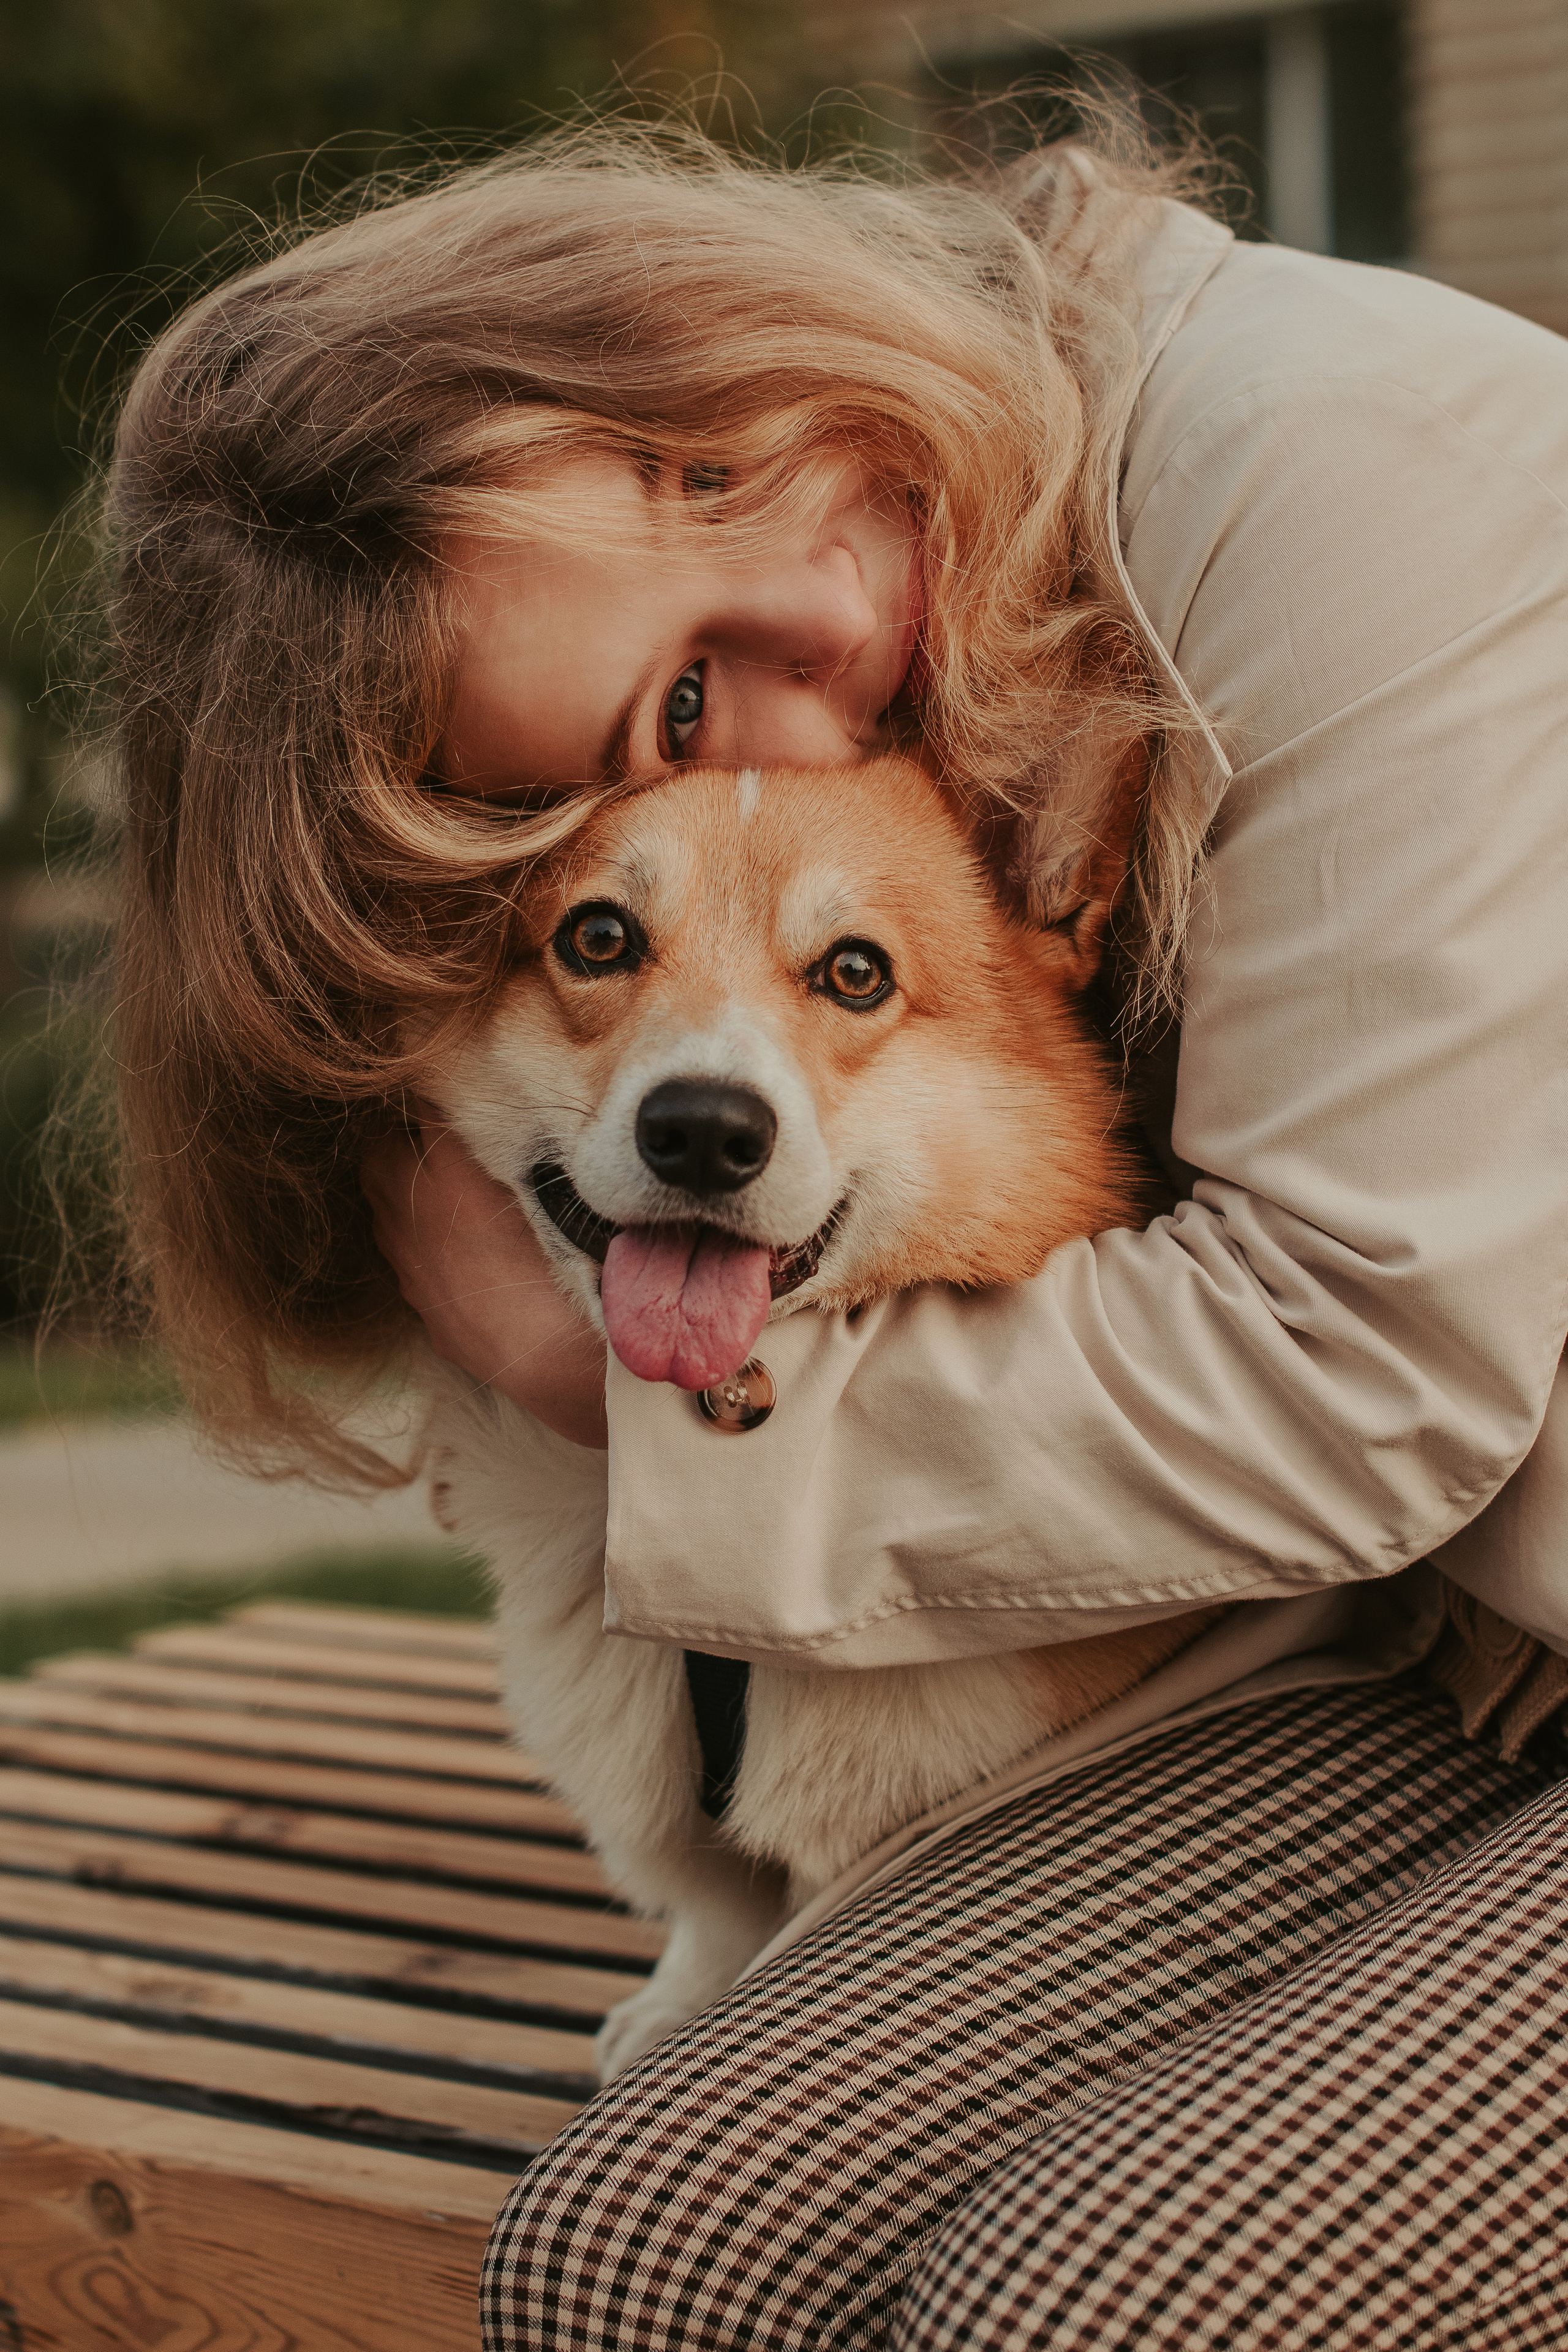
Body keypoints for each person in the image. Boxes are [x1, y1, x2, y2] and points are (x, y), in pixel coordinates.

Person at [99, 110, 1568, 2349]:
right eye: (628, 774)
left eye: (688, 688)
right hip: (1444, 1650)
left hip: (1443, 1579)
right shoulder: (961, 579)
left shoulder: (1350, 472)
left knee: (1082, 2312)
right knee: (629, 2258)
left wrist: (581, 1374)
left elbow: (1355, 1364)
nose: (804, 732)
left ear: (710, 395)